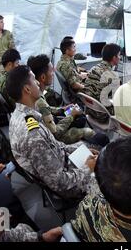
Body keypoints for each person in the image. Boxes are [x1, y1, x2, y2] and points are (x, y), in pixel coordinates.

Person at [7, 65, 98, 198]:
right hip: (68, 185)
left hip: (61, 162)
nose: (38, 82)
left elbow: (55, 146)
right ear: (27, 89)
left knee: (92, 149)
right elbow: (60, 183)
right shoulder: (33, 135)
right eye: (34, 79)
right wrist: (88, 168)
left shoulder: (19, 115)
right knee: (109, 175)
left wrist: (81, 149)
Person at [27, 54, 108, 146]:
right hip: (58, 137)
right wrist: (71, 115)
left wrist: (63, 109)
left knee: (80, 118)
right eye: (51, 70)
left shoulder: (37, 94)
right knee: (102, 137)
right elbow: (56, 133)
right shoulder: (39, 100)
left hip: (52, 124)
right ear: (43, 77)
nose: (54, 72)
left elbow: (47, 109)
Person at [83, 43, 121, 123]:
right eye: (119, 55)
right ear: (114, 58)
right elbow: (119, 98)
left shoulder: (93, 68)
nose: (120, 58)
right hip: (102, 114)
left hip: (89, 110)